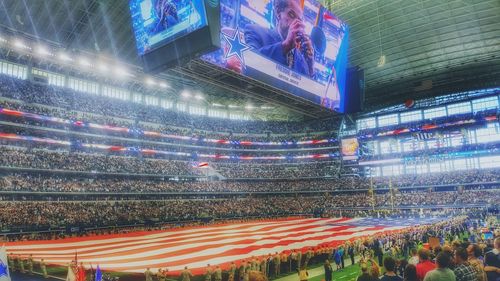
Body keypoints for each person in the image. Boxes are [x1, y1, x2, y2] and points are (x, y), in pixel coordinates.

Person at [244, 0, 315, 78]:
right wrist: (285, 46)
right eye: (291, 15)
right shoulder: (256, 31)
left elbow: (307, 87)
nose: (296, 24)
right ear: (278, 12)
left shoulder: (300, 59)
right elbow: (249, 62)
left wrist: (310, 65)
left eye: (299, 20)